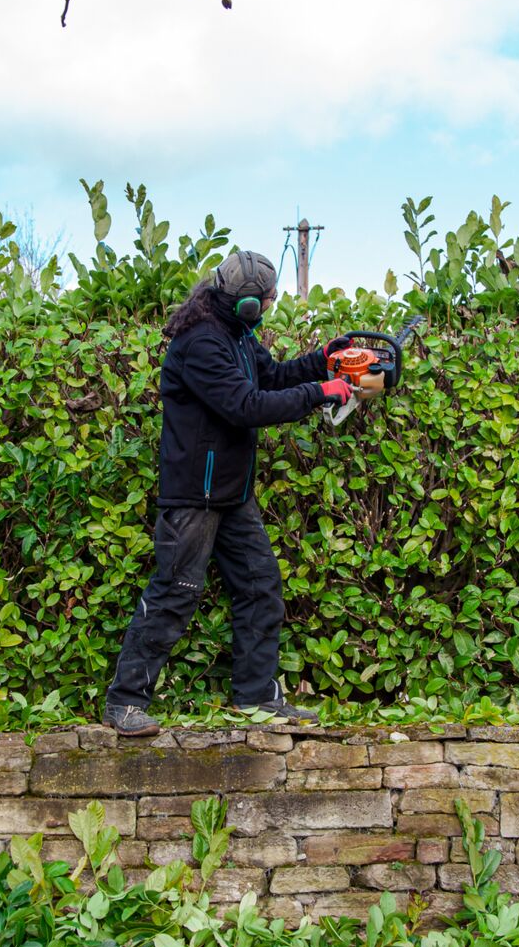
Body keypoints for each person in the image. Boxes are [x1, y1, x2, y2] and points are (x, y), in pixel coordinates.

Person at [101, 250, 355, 737]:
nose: (269, 307)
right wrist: (322, 394)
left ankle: (256, 699)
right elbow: (245, 405)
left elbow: (273, 377)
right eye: (265, 301)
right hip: (194, 497)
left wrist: (322, 362)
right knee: (175, 595)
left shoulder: (237, 336)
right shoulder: (200, 343)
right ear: (246, 305)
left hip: (231, 494)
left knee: (261, 587)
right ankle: (124, 703)